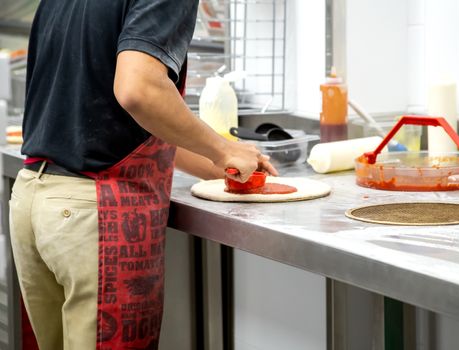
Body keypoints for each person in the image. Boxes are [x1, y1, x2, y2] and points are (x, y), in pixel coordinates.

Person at [9, 1, 277, 349]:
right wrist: (224, 148)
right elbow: (139, 90)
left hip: (35, 199)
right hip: (94, 211)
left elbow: (118, 115)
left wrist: (219, 163)